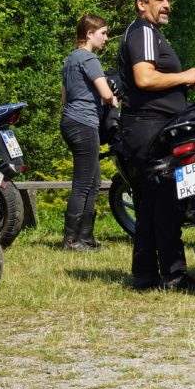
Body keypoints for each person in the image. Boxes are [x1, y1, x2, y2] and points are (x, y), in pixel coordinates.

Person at [117, 0, 195, 290]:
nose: (167, 4)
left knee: (151, 203)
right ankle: (174, 274)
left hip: (147, 126)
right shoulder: (142, 31)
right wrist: (185, 75)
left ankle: (144, 275)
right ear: (143, 4)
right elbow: (143, 78)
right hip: (149, 127)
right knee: (168, 198)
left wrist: (182, 84)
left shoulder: (148, 33)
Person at [60, 14, 119, 251]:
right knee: (84, 184)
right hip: (84, 123)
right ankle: (71, 240)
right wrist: (114, 100)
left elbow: (64, 97)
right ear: (89, 34)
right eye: (103, 33)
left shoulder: (70, 59)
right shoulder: (89, 59)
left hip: (71, 121)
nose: (106, 38)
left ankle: (86, 238)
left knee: (93, 182)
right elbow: (106, 94)